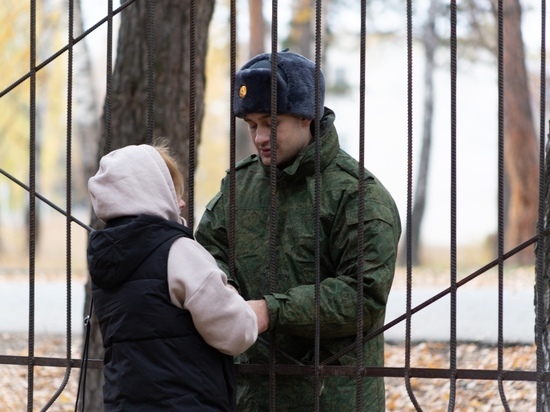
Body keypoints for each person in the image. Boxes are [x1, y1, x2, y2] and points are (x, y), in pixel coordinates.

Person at [195, 50, 401, 411]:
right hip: (250, 394)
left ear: (307, 116)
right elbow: (206, 257)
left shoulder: (359, 196)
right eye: (251, 125)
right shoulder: (238, 187)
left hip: (332, 398)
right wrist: (222, 294)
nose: (259, 137)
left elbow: (362, 298)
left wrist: (269, 311)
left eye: (270, 124)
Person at [87, 142, 258, 411]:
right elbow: (236, 332)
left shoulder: (104, 257)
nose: (181, 202)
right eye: (171, 191)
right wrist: (243, 303)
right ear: (150, 193)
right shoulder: (178, 251)